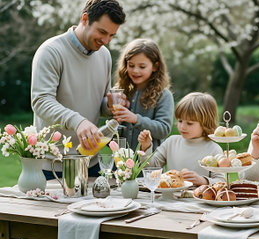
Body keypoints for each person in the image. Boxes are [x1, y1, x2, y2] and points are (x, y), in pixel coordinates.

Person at [30, 0, 126, 180]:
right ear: (84, 19)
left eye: (112, 35)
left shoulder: (104, 55)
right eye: (102, 32)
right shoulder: (51, 51)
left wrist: (110, 106)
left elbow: (98, 102)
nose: (106, 41)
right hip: (53, 165)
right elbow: (41, 101)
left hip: (91, 162)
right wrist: (78, 121)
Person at [138, 92, 226, 186]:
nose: (182, 127)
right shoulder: (171, 142)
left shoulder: (213, 149)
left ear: (205, 124)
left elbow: (221, 181)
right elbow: (151, 168)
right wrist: (146, 147)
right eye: (180, 121)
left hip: (198, 199)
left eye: (189, 123)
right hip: (171, 198)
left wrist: (203, 181)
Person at [109, 38, 174, 152]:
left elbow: (163, 129)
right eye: (131, 65)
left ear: (155, 66)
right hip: (121, 164)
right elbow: (114, 136)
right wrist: (114, 124)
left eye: (142, 66)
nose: (135, 71)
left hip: (149, 165)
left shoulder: (163, 95)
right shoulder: (122, 93)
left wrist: (135, 119)